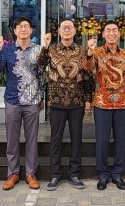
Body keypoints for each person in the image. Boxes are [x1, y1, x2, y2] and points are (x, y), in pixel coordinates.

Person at [37, 18, 93, 191]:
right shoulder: (51, 49)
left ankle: (74, 174)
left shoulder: (82, 51)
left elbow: (88, 74)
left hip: (77, 101)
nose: (67, 30)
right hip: (56, 101)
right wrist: (45, 46)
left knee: (76, 139)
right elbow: (40, 65)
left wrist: (88, 98)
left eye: (70, 28)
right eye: (64, 28)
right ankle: (55, 174)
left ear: (75, 31)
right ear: (59, 31)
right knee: (55, 139)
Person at [0, 17, 45, 191]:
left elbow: (42, 75)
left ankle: (31, 173)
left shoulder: (38, 50)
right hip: (12, 100)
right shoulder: (6, 49)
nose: (23, 29)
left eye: (26, 26)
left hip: (32, 100)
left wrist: (42, 97)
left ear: (31, 30)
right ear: (14, 31)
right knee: (12, 139)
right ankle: (13, 173)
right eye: (20, 27)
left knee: (32, 139)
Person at [84, 20, 125, 191]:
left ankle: (118, 173)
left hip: (121, 103)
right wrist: (89, 52)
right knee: (102, 140)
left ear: (119, 34)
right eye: (108, 30)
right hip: (102, 102)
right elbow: (87, 69)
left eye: (115, 30)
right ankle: (103, 173)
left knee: (120, 140)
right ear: (103, 34)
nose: (112, 33)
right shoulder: (97, 52)